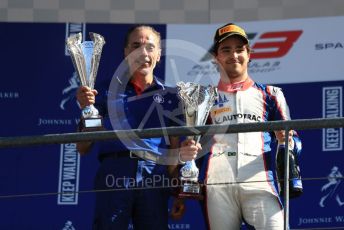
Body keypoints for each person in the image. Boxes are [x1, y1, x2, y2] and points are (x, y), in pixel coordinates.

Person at [179, 23, 302, 229]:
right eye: (226, 50)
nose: (233, 55)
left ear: (249, 54)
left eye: (239, 49)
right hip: (217, 187)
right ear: (215, 57)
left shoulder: (271, 94)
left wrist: (286, 141)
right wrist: (186, 153)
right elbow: (192, 148)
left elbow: (295, 142)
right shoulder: (203, 99)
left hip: (260, 182)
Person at [76, 25, 183, 230]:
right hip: (114, 173)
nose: (143, 52)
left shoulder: (171, 97)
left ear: (159, 55)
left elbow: (174, 150)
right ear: (126, 53)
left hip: (155, 175)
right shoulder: (104, 91)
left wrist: (178, 192)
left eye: (150, 47)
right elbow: (82, 147)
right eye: (136, 46)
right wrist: (86, 110)